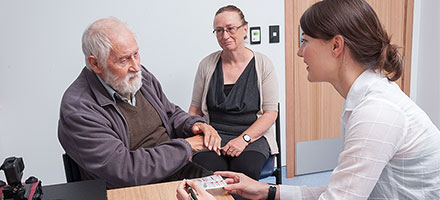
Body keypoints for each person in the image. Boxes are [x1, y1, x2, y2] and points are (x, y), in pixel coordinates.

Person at [177, 0, 440, 199]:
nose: (300, 52)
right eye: (218, 31)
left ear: (336, 46)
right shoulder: (363, 101)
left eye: (305, 41)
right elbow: (339, 189)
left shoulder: (376, 112)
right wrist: (268, 191)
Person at [58, 17, 222, 189]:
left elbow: (170, 112)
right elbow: (125, 170)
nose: (136, 67)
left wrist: (193, 124)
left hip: (175, 169)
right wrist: (186, 146)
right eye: (123, 60)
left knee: (228, 194)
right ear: (96, 64)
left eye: (136, 54)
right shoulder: (78, 109)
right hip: (130, 188)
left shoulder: (138, 77)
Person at [189, 5, 279, 180]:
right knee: (209, 172)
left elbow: (270, 114)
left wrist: (243, 139)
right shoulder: (206, 65)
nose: (225, 36)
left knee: (244, 172)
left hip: (252, 136)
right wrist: (195, 136)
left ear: (245, 29)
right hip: (213, 136)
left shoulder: (263, 65)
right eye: (219, 31)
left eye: (230, 29)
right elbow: (194, 111)